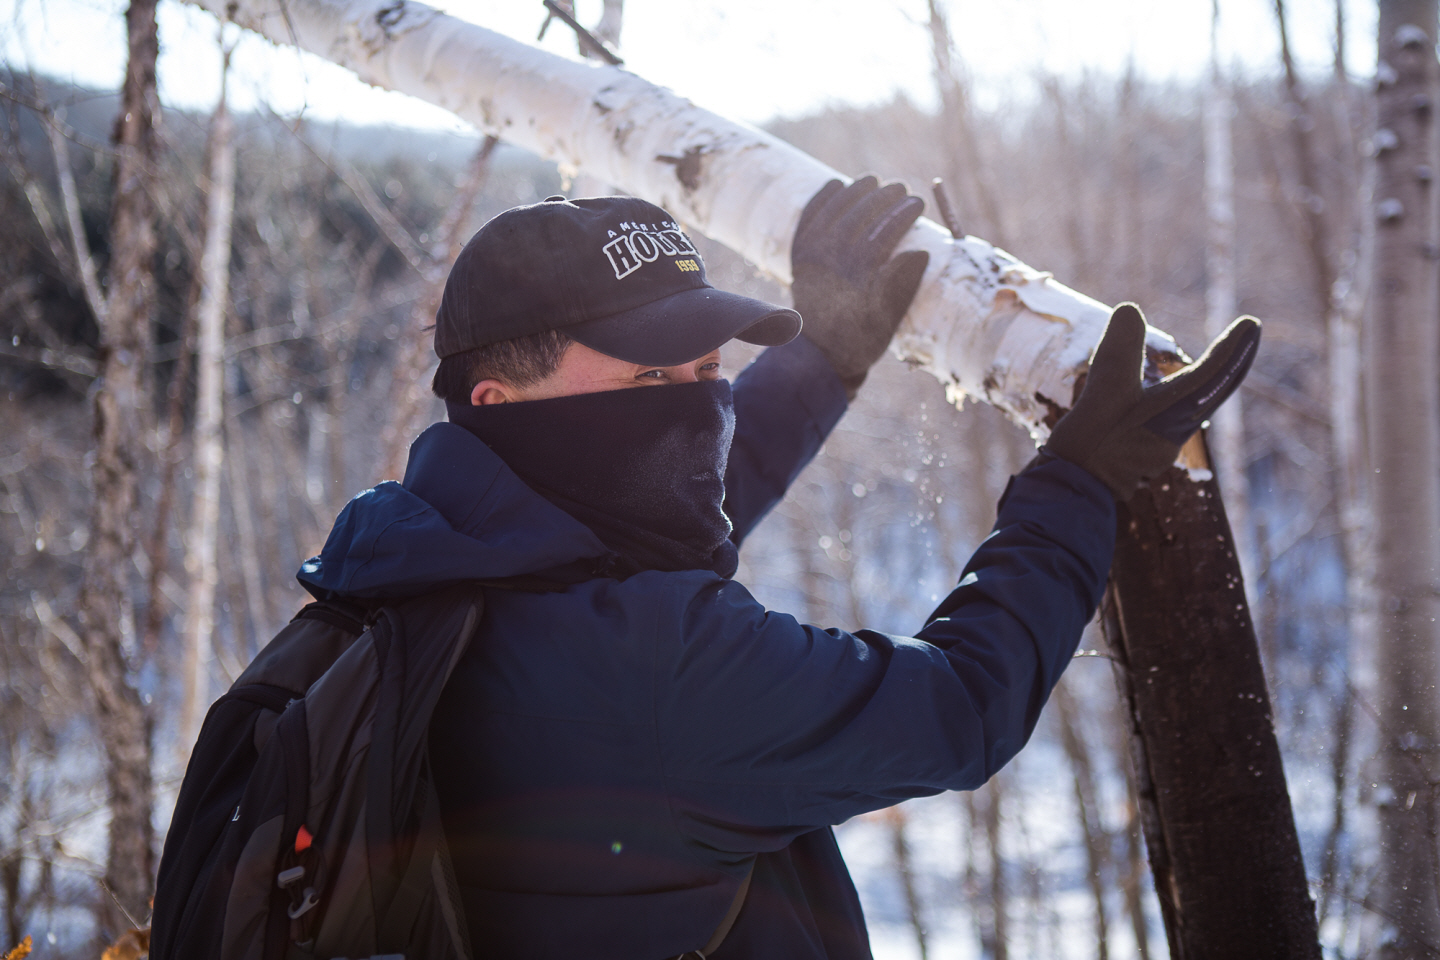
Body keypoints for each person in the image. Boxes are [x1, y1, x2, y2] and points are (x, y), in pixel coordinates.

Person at [296, 179, 1258, 959]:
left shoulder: (410, 557)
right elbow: (963, 704)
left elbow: (663, 515)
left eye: (707, 370)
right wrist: (1079, 484)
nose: (695, 411)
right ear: (500, 397)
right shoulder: (663, 674)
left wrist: (825, 354)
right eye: (648, 376)